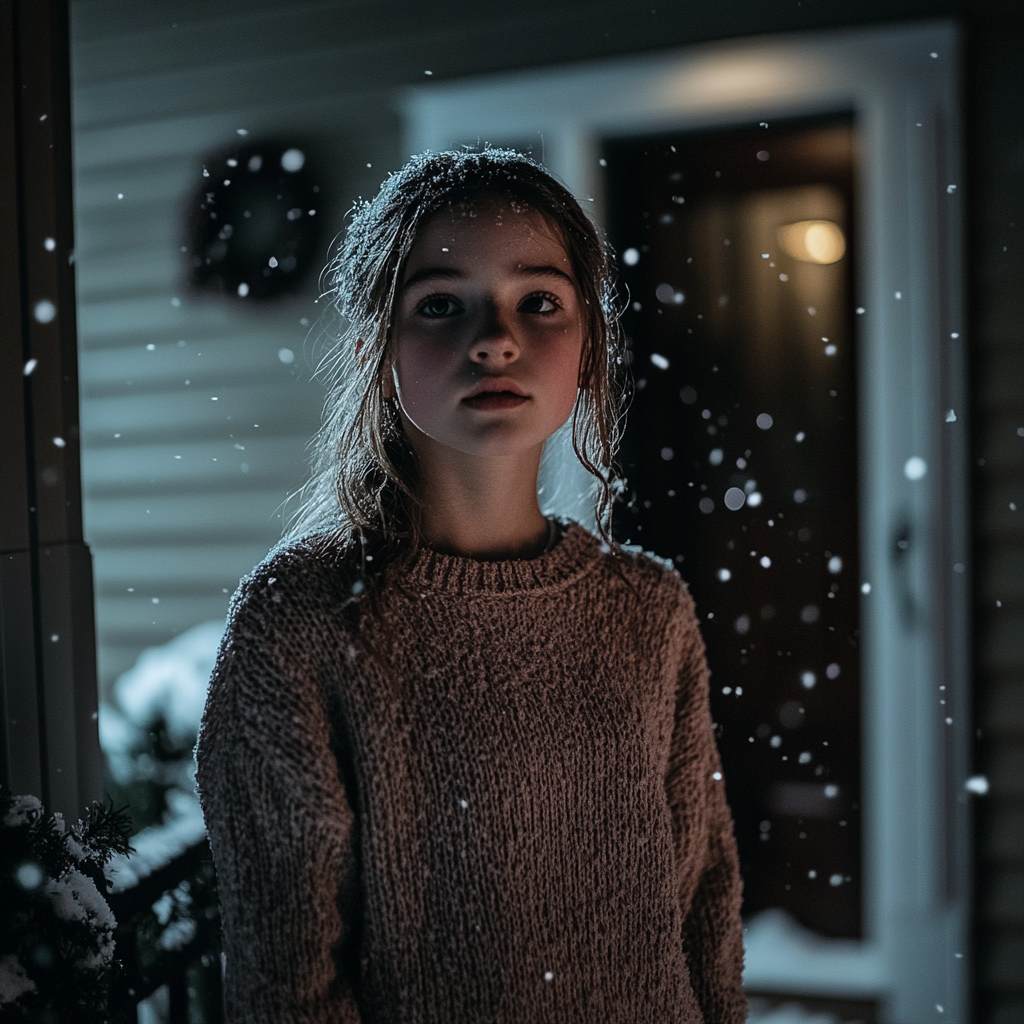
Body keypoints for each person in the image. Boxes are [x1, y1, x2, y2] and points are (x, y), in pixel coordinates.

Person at [195, 149, 747, 1024]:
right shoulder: (297, 621)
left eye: (538, 301)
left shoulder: (651, 610)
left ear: (590, 349)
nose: (494, 339)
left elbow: (702, 912)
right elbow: (288, 980)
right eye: (441, 304)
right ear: (377, 348)